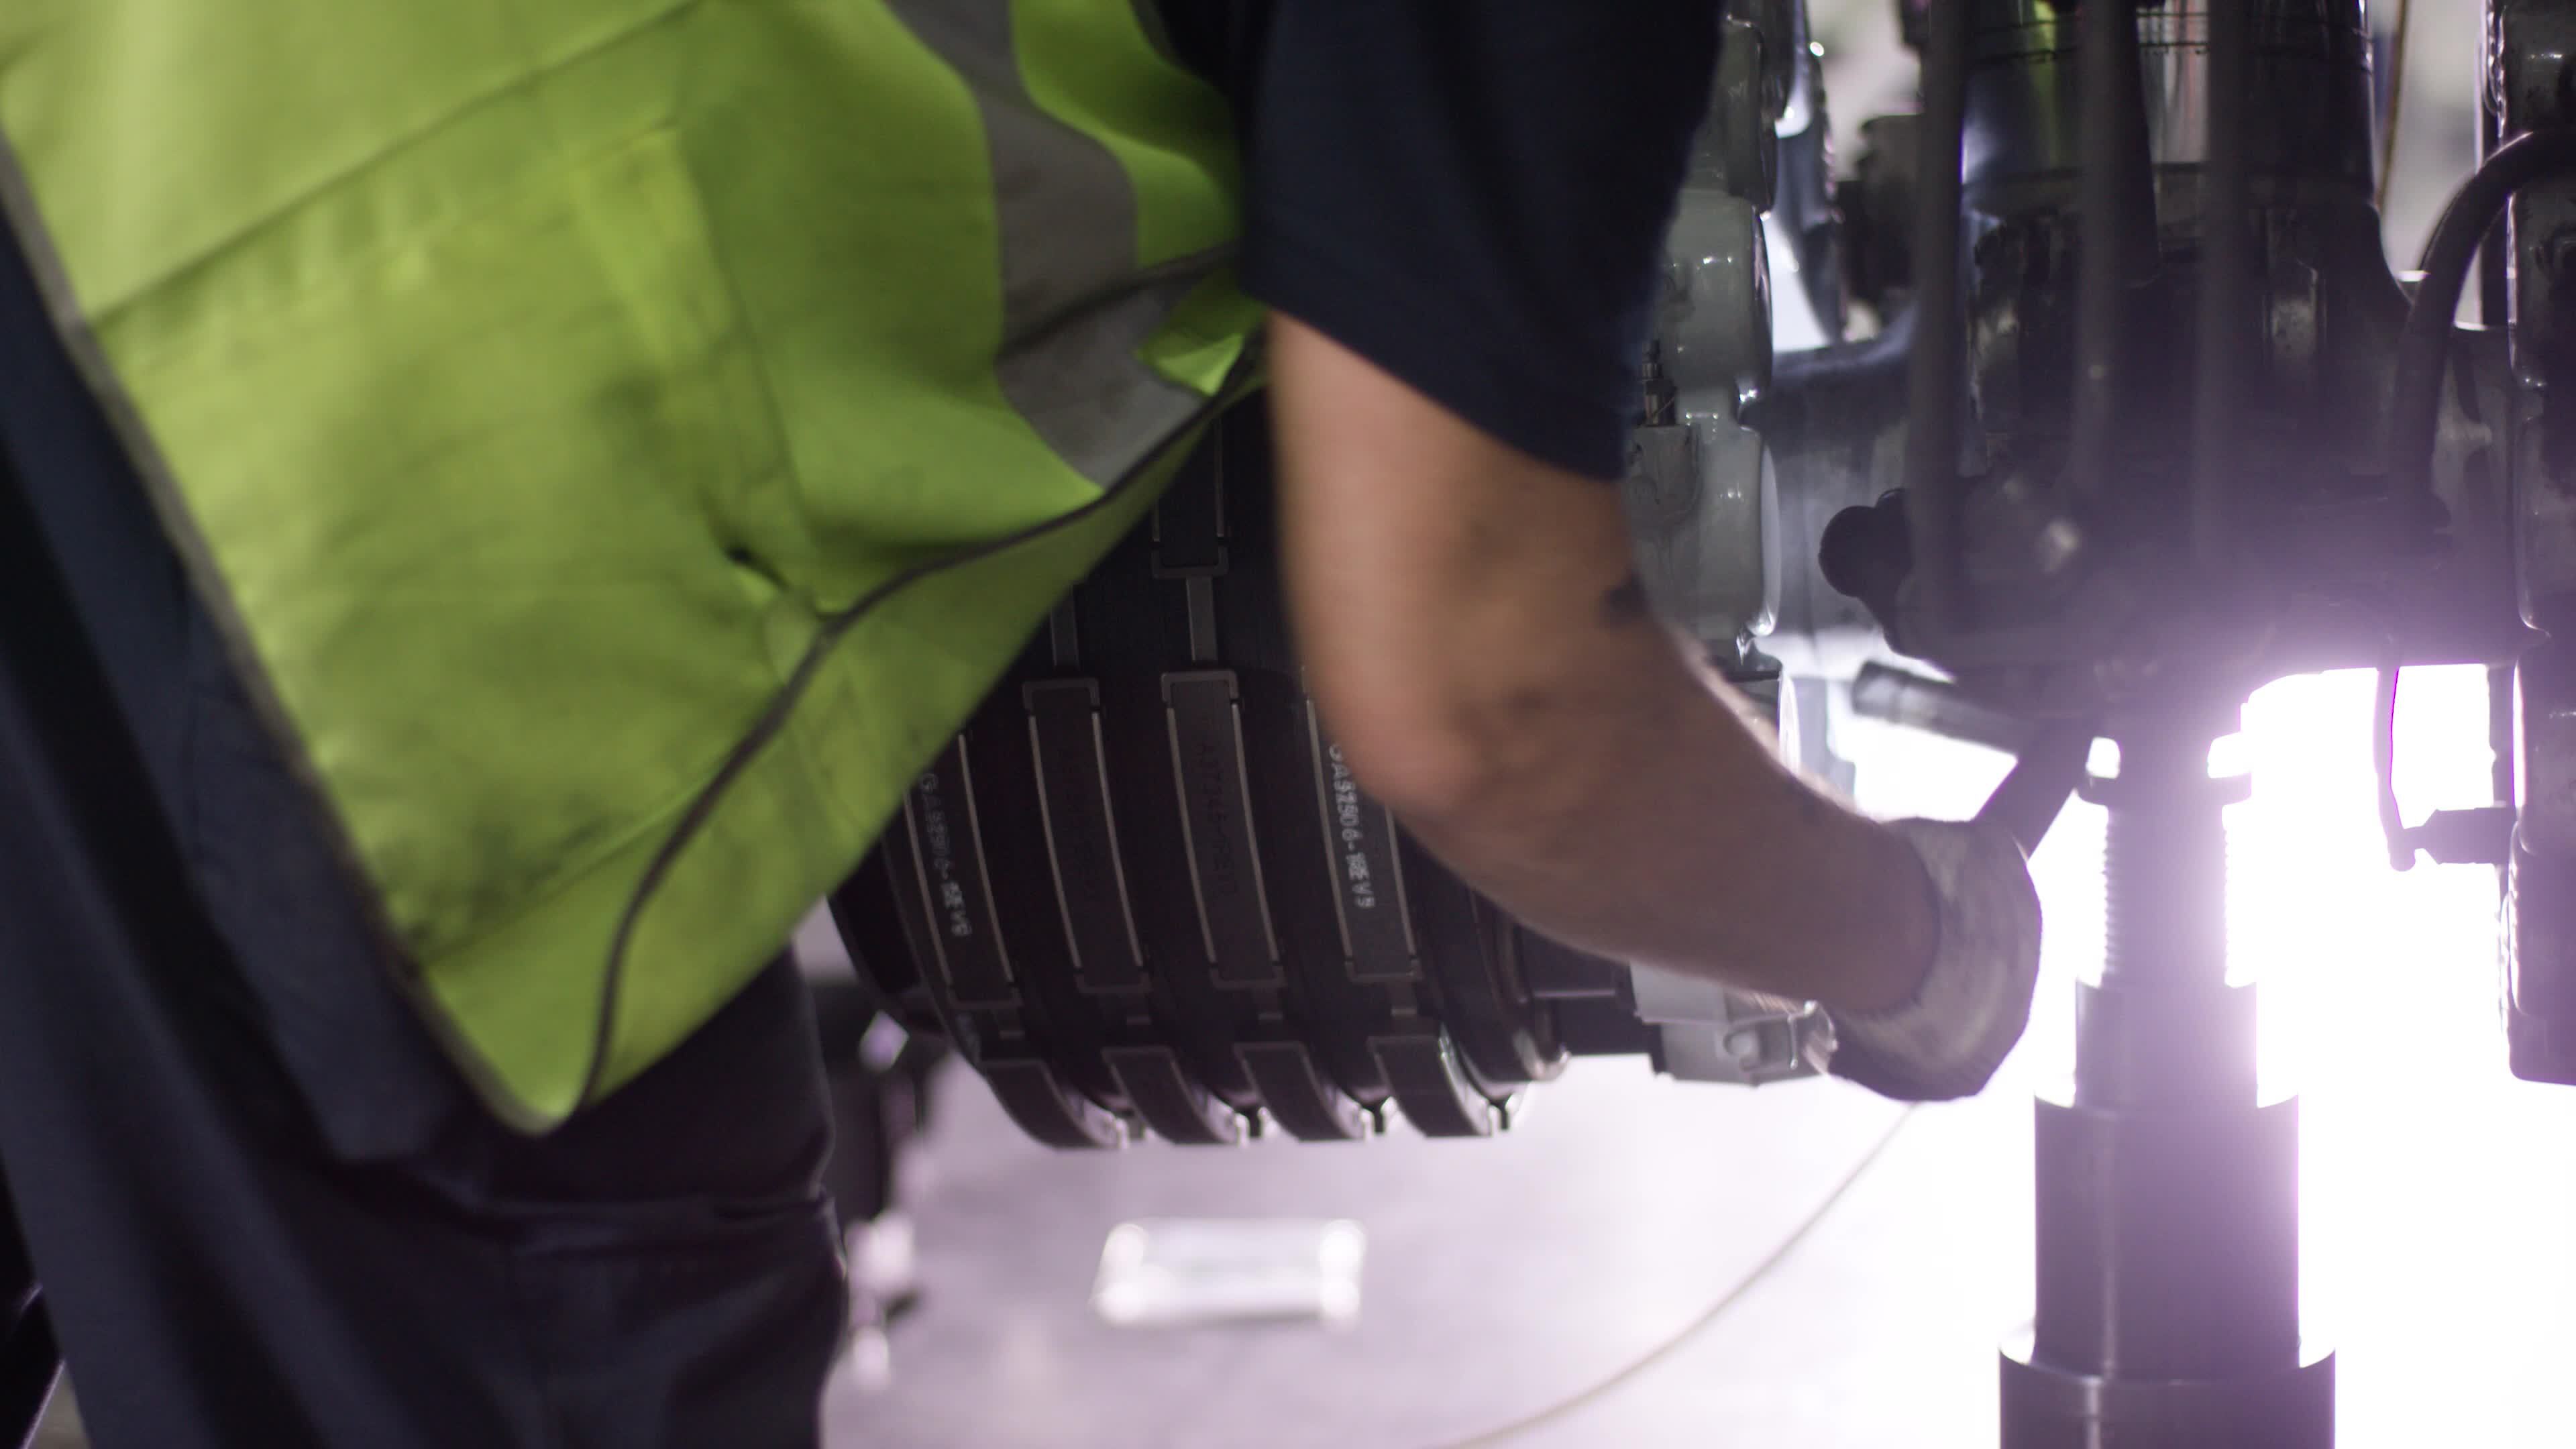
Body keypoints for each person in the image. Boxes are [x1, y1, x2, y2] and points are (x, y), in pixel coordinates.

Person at [0, 3, 2043, 1445]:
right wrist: (1914, 951)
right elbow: (1491, 696)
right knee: (542, 1346)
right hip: (332, 420)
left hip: (89, 150)